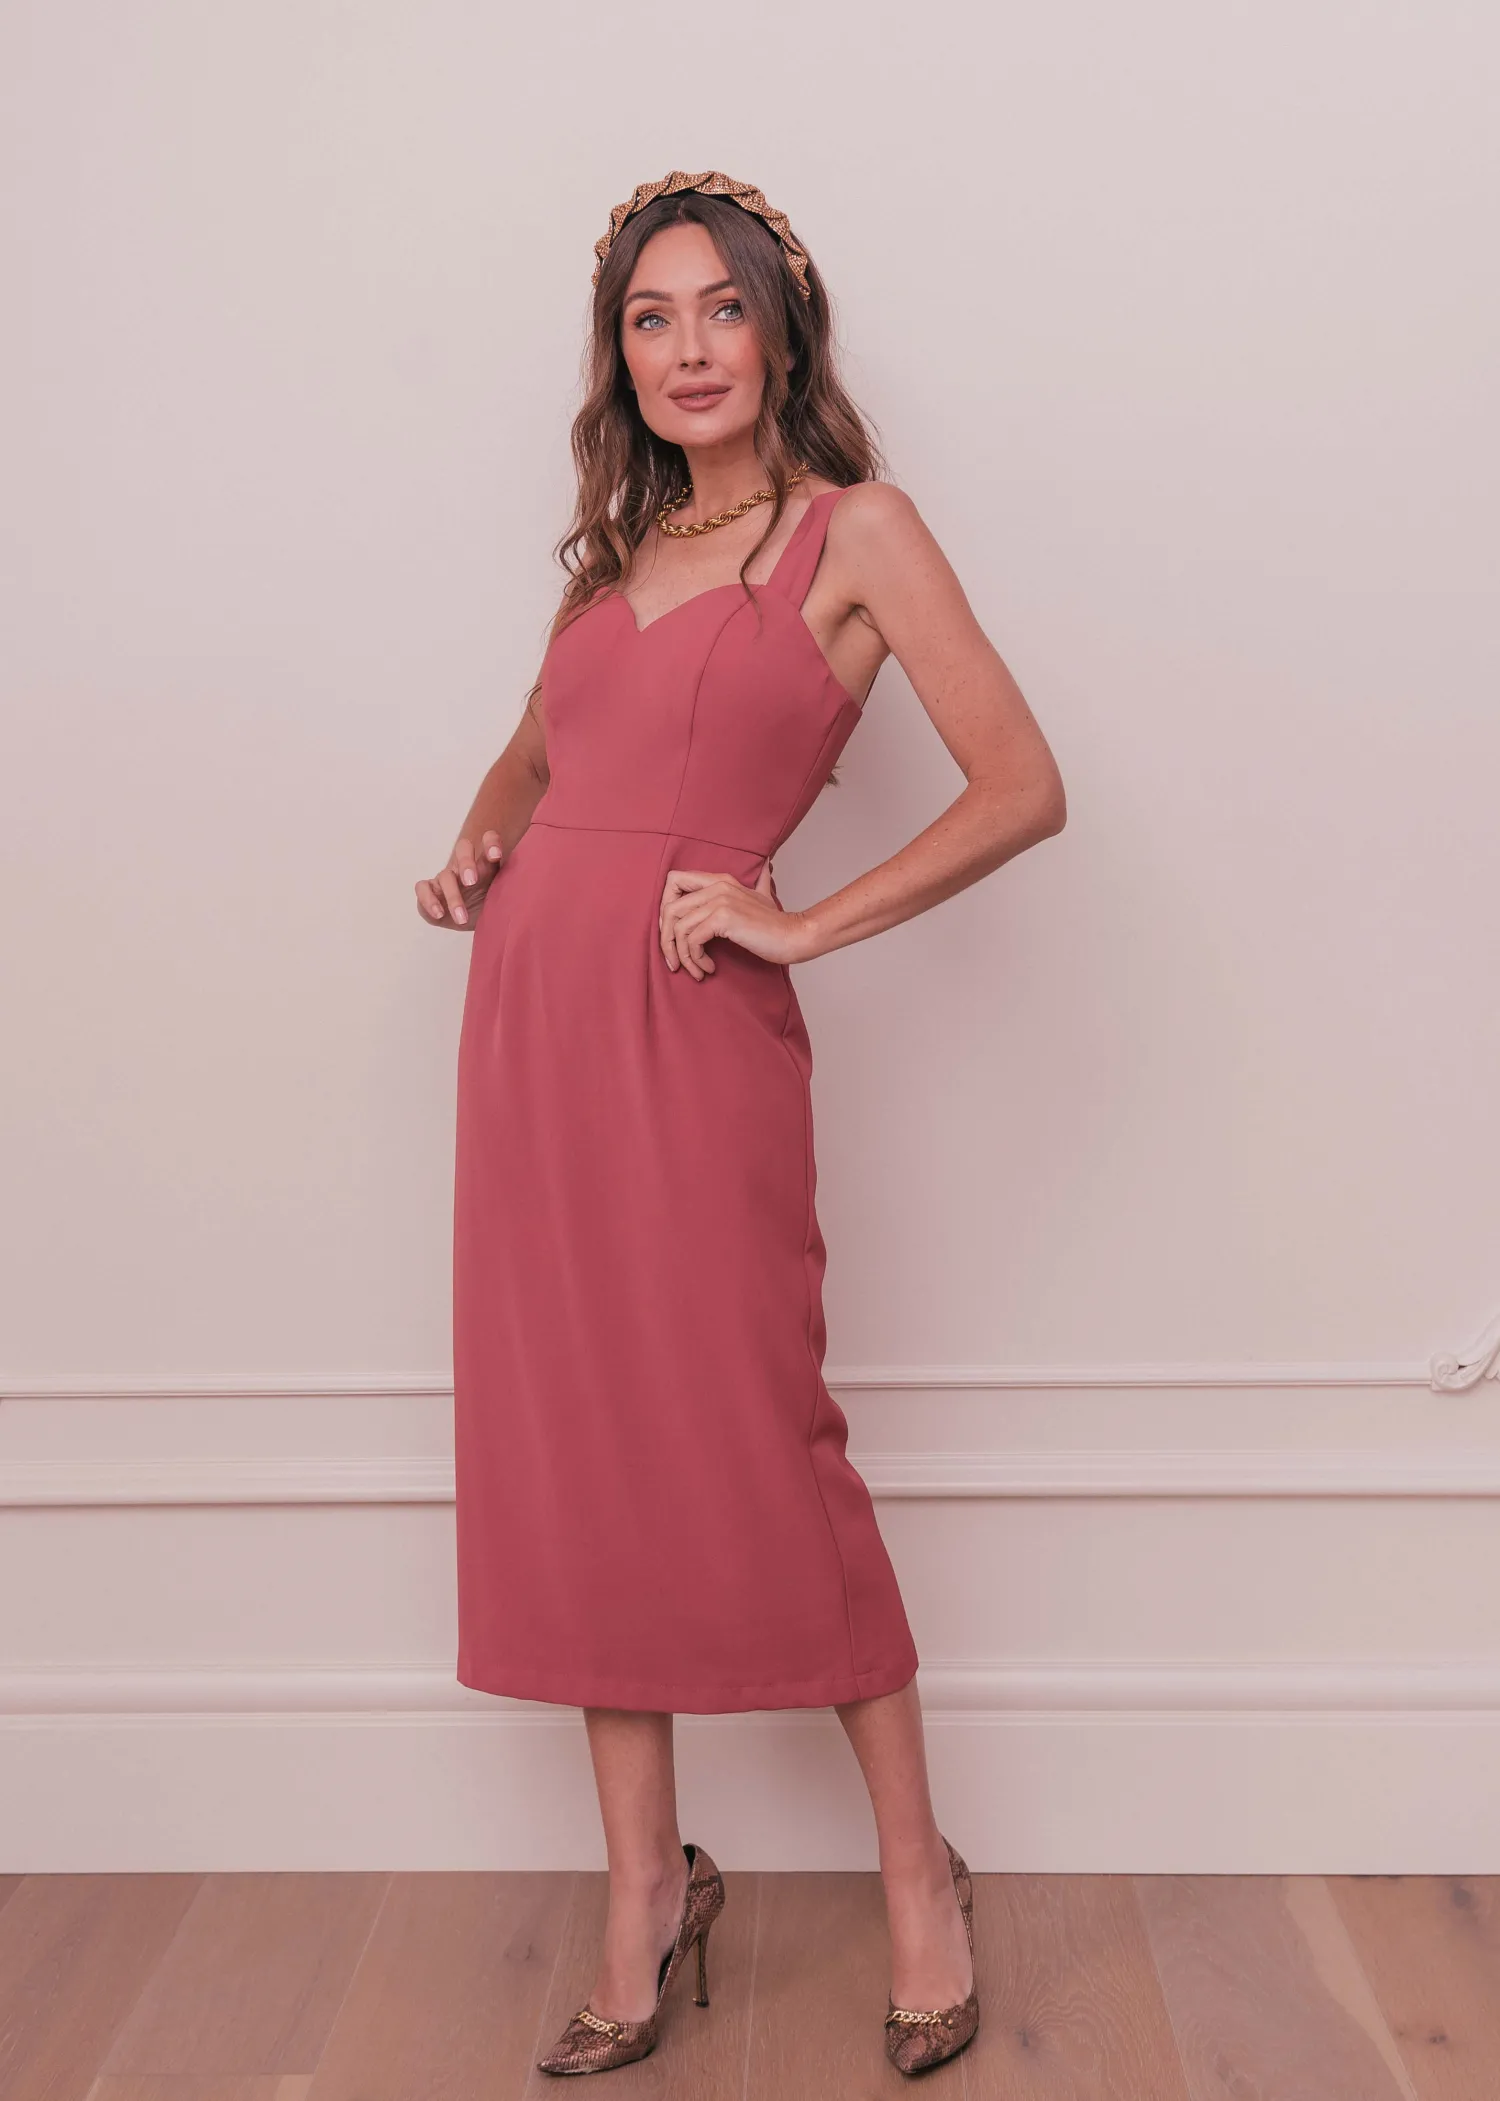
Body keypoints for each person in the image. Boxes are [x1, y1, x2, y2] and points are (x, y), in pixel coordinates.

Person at [416, 169, 1066, 2079]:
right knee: (570, 1447)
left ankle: (918, 1875)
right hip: (530, 1037)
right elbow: (542, 760)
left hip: (693, 1035)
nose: (686, 348)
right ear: (618, 355)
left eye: (720, 310)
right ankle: (644, 1886)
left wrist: (799, 920)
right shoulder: (617, 556)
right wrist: (478, 855)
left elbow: (1022, 785)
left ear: (781, 333)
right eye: (650, 318)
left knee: (758, 1437)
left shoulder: (859, 532)